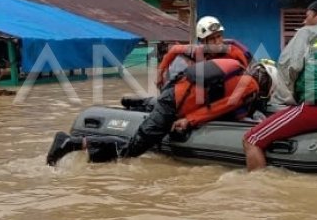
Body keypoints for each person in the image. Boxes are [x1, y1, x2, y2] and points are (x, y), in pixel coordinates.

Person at [46, 59, 270, 165]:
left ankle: (138, 105)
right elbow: (218, 108)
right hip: (172, 105)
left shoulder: (237, 72)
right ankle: (71, 143)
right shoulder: (249, 85)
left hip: (173, 95)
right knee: (132, 149)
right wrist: (189, 121)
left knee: (151, 120)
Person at [243, 0, 317, 171]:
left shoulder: (308, 32)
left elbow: (289, 66)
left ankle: (257, 193)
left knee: (251, 140)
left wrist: (284, 98)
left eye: (307, 16)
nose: (303, 21)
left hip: (315, 108)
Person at [155, 16, 251, 89]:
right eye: (212, 39)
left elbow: (245, 77)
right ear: (203, 42)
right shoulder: (198, 51)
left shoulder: (233, 52)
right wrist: (160, 75)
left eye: (219, 36)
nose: (218, 42)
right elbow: (174, 50)